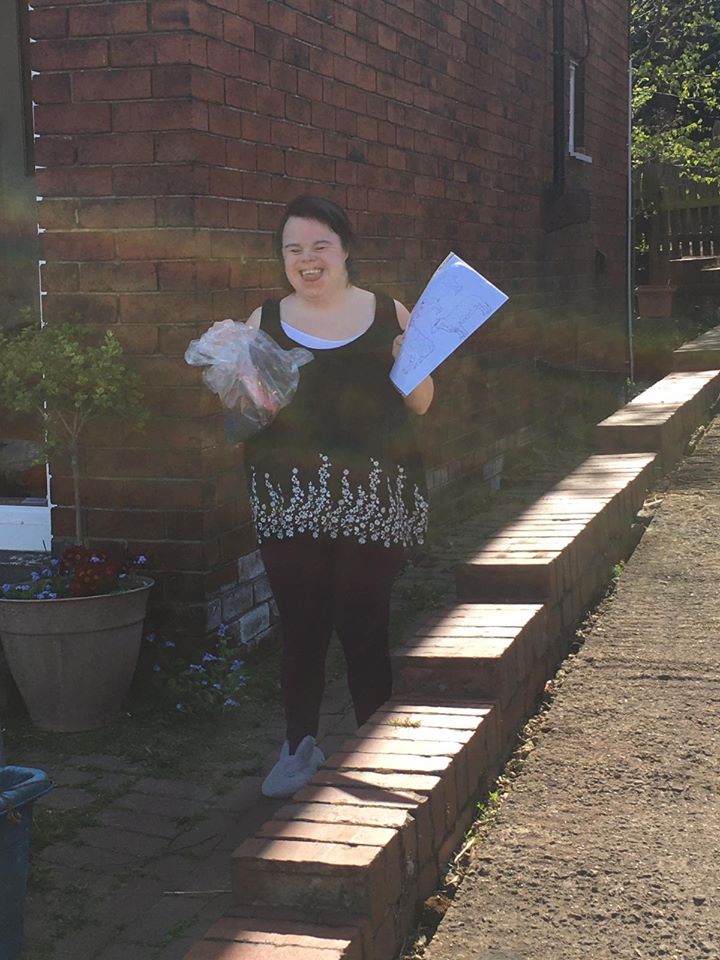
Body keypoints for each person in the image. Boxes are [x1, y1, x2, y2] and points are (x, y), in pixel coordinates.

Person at [244, 196, 435, 798]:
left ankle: (376, 746)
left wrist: (411, 362)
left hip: (373, 499)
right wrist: (237, 385)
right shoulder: (262, 322)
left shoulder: (388, 313)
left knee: (363, 621)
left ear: (346, 249)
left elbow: (421, 405)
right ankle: (298, 747)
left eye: (320, 245)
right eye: (293, 249)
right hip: (289, 500)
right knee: (301, 625)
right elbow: (250, 416)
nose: (307, 259)